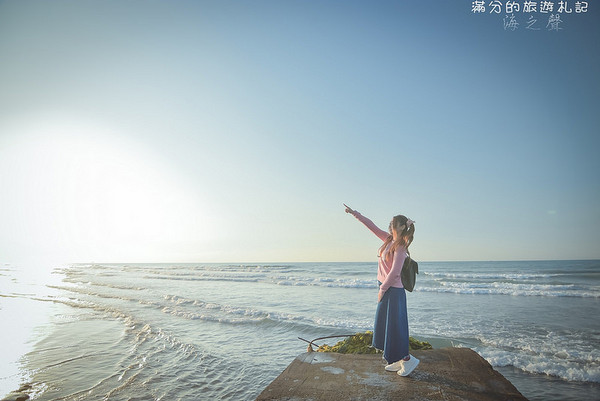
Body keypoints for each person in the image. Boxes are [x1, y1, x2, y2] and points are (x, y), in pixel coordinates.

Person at [344, 203, 419, 377]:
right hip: (386, 288)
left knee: (396, 327)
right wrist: (354, 213)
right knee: (387, 326)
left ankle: (408, 360)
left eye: (393, 222)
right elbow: (371, 226)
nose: (390, 224)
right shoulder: (388, 240)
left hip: (393, 290)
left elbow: (394, 273)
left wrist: (382, 289)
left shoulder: (400, 246)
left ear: (401, 227)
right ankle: (396, 359)